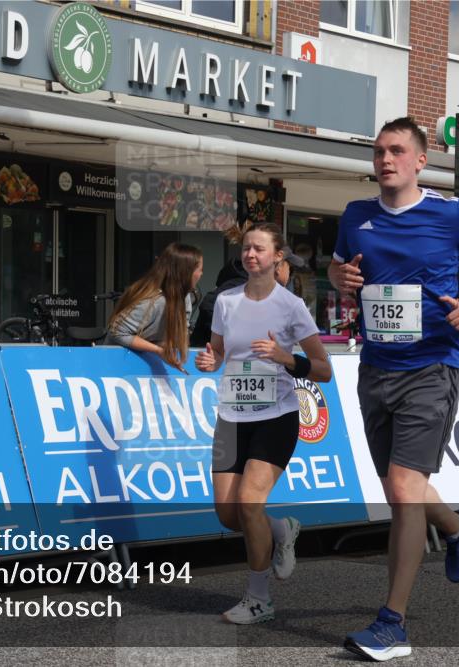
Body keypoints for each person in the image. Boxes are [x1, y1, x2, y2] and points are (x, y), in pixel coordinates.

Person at [328, 117, 459, 661]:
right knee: (396, 485)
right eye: (379, 151)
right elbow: (339, 271)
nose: (385, 160)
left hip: (433, 364)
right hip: (376, 366)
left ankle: (392, 624)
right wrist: (342, 281)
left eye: (396, 151)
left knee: (405, 489)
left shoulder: (452, 214)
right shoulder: (356, 217)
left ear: (419, 160)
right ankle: (458, 524)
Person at [195, 222, 332, 625]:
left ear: (277, 257)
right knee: (227, 513)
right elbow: (219, 351)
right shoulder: (225, 301)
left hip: (276, 417)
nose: (250, 255)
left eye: (259, 249)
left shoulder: (291, 306)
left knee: (249, 503)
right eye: (246, 249)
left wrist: (286, 358)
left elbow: (323, 370)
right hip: (232, 416)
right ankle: (282, 529)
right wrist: (211, 361)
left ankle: (258, 598)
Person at [105, 242, 203, 371]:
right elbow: (117, 332)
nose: (201, 274)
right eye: (200, 269)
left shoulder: (184, 297)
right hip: (120, 363)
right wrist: (158, 350)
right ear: (186, 272)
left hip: (145, 363)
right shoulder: (155, 300)